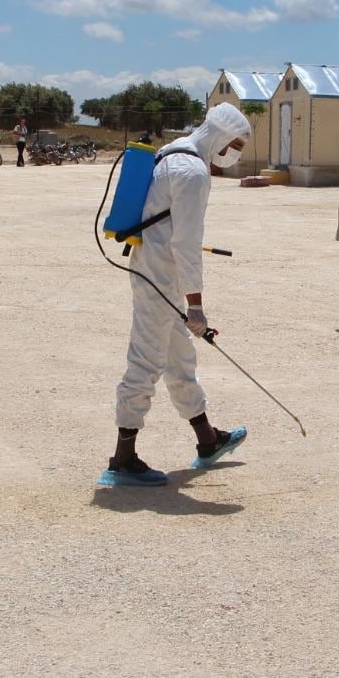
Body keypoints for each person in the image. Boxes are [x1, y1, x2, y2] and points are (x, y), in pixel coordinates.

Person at [99, 102, 252, 487]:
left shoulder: (176, 150)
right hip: (160, 274)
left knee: (178, 356)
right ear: (222, 135)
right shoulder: (193, 171)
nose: (235, 153)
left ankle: (207, 439)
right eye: (236, 144)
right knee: (147, 358)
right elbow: (186, 243)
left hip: (152, 264)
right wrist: (196, 305)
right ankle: (122, 459)